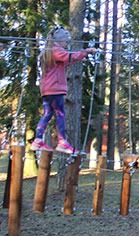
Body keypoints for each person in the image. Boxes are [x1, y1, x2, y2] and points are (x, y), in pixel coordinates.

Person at [30, 26, 96, 154]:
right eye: (66, 41)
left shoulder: (48, 52)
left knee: (47, 114)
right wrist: (86, 52)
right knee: (60, 114)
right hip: (55, 88)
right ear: (59, 40)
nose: (67, 43)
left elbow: (66, 61)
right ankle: (62, 142)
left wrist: (80, 57)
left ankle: (38, 140)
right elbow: (69, 57)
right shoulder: (56, 50)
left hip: (47, 89)